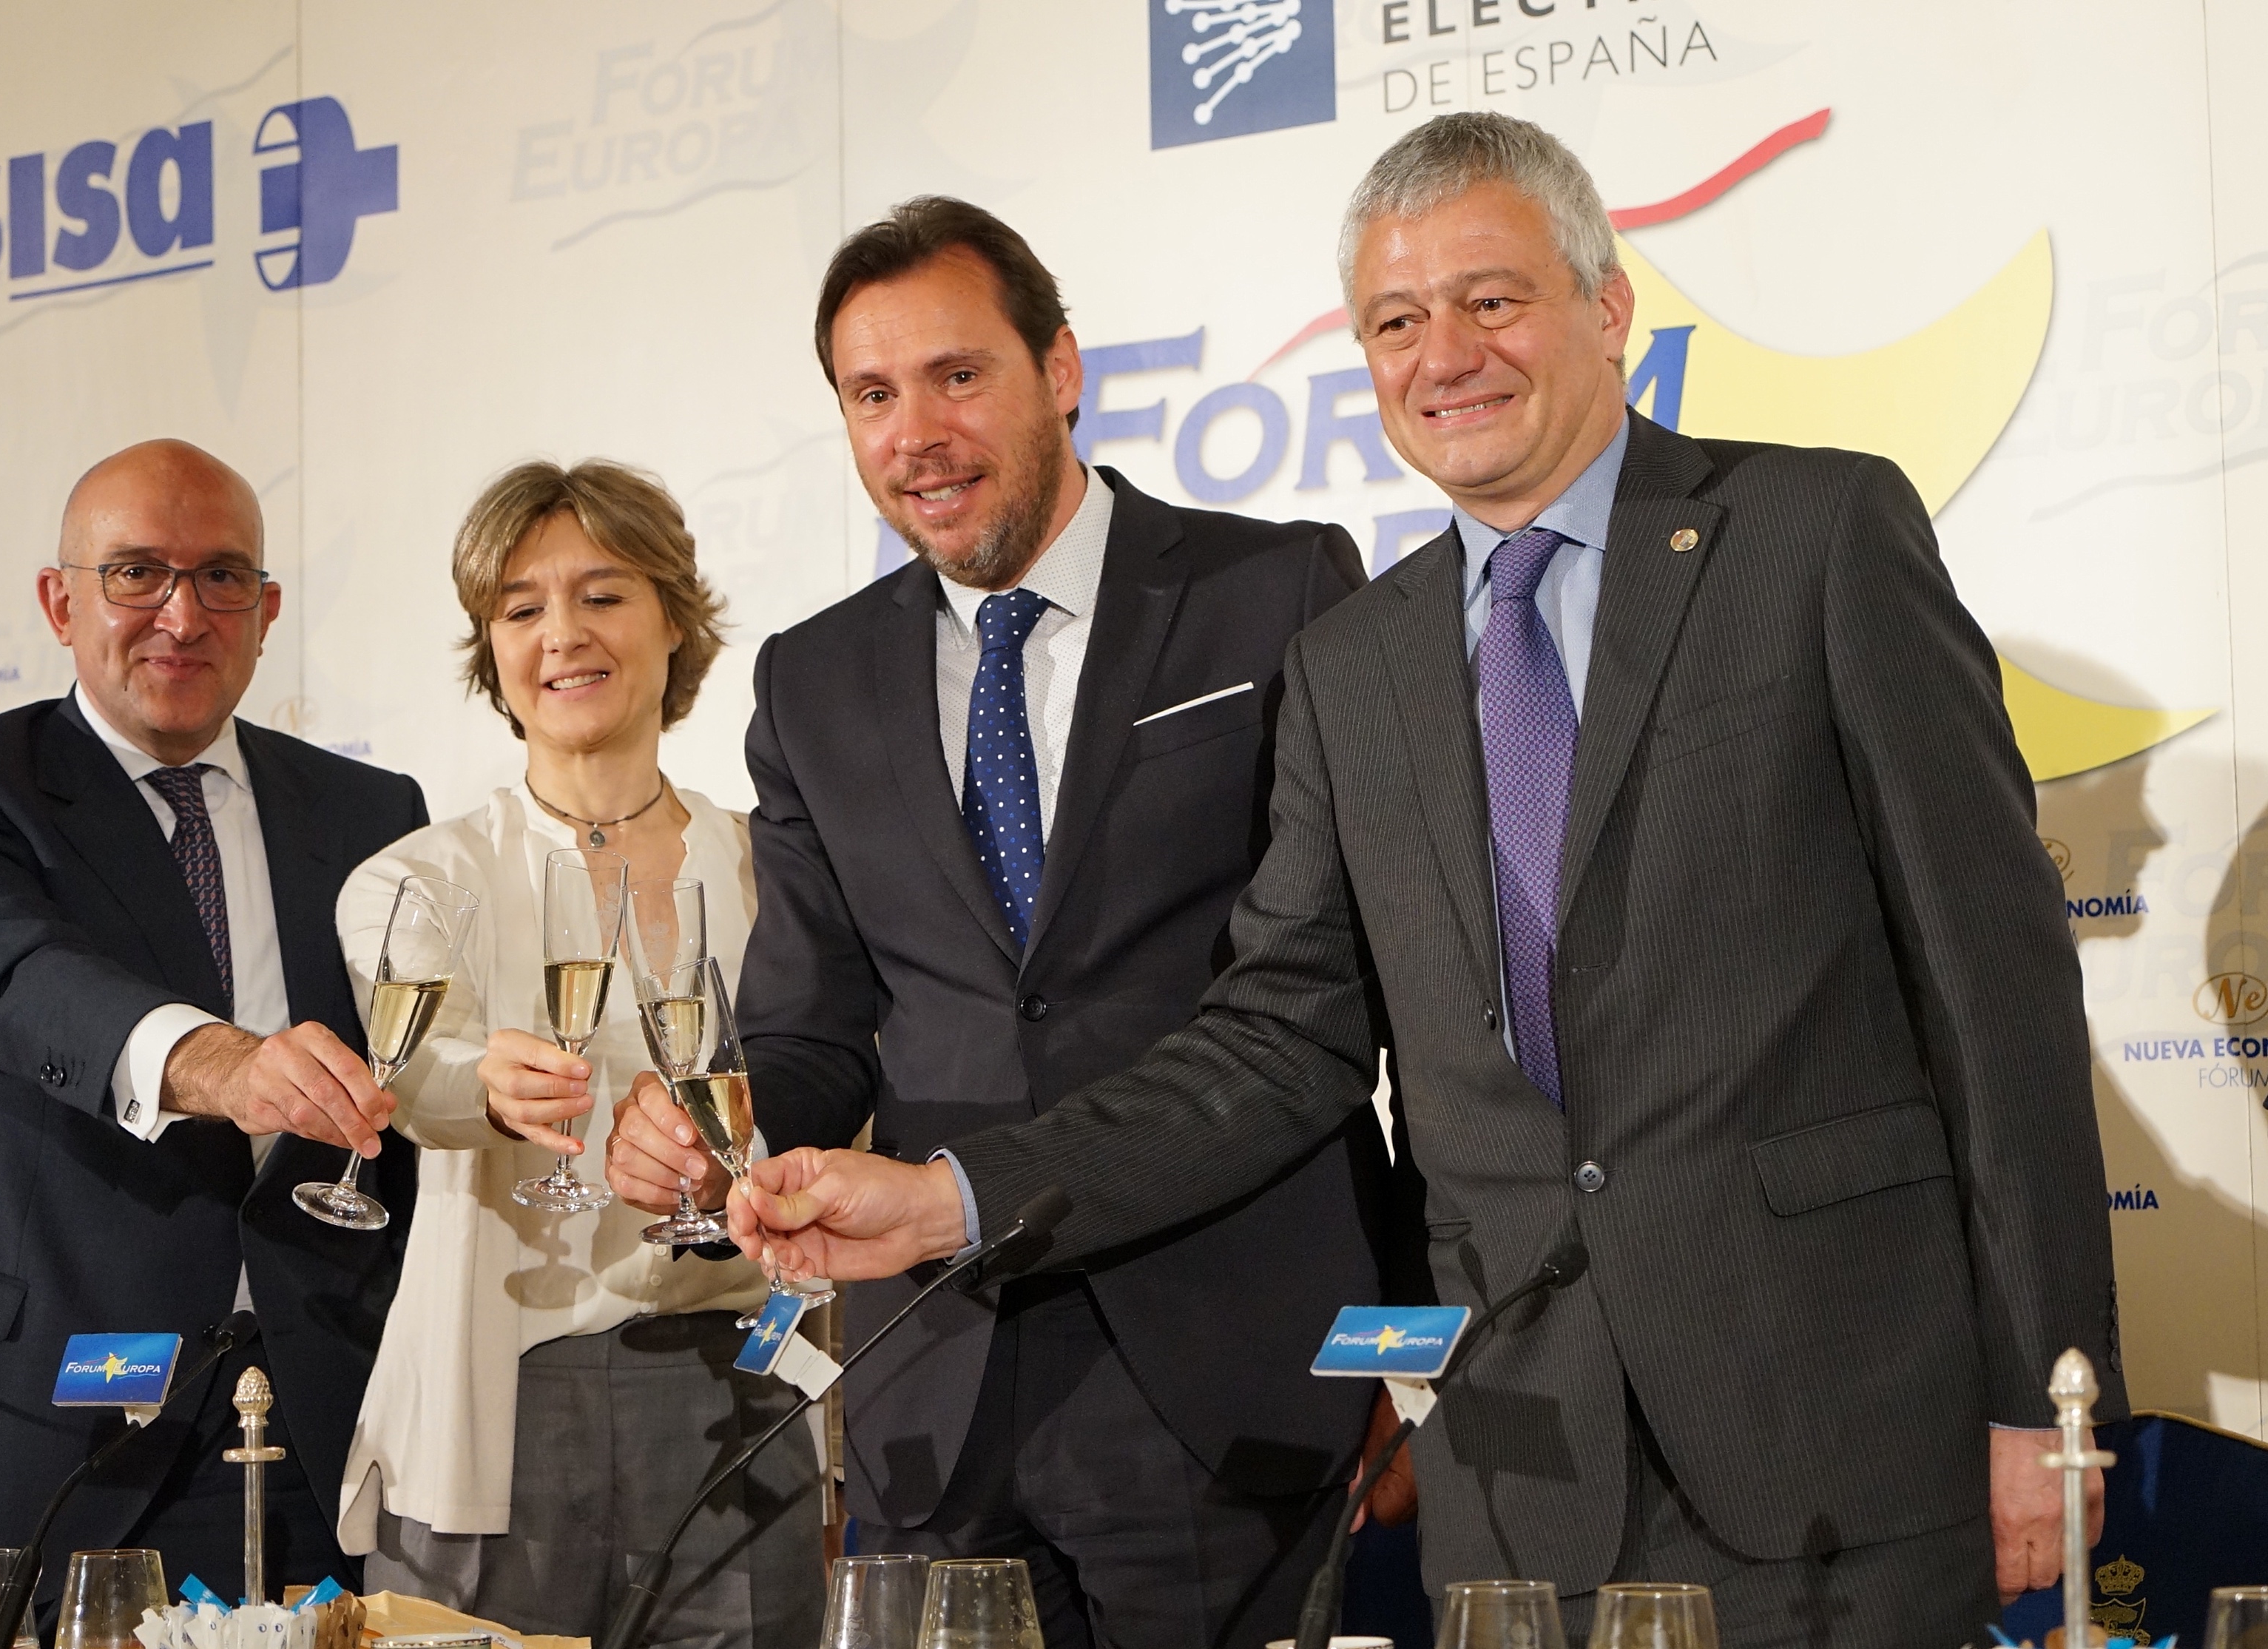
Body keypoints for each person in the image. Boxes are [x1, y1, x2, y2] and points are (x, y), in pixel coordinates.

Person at [729, 115, 2122, 1649]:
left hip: (1832, 1417)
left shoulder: (1815, 534)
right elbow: (1280, 1036)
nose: (1443, 353)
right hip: (1523, 1458)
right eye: (1395, 321)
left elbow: (1993, 985)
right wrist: (952, 1194)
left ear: (1608, 307)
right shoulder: (1354, 660)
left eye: (1490, 300)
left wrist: (2044, 1398)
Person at [607, 196, 1391, 1649]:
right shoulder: (813, 678)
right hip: (936, 1381)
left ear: (1062, 369)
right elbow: (812, 1023)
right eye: (872, 395)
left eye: (957, 375)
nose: (917, 433)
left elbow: (1327, 1000)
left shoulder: (1273, 590)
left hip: (1220, 1357)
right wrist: (724, 1126)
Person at [0, 439, 428, 1636]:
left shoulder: (371, 812)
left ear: (267, 612)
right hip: (19, 1432)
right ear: (60, 602)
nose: (181, 615)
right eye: (136, 572)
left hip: (302, 1440)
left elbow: (415, 1080)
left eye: (222, 577)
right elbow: (15, 980)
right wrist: (222, 1063)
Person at [335, 460, 823, 1649]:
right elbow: (417, 1078)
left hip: (735, 1377)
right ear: (491, 650)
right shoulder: (415, 880)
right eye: (521, 608)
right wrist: (489, 1088)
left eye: (603, 595)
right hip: (499, 1389)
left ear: (675, 619)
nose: (563, 634)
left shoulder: (775, 866)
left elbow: (833, 1092)